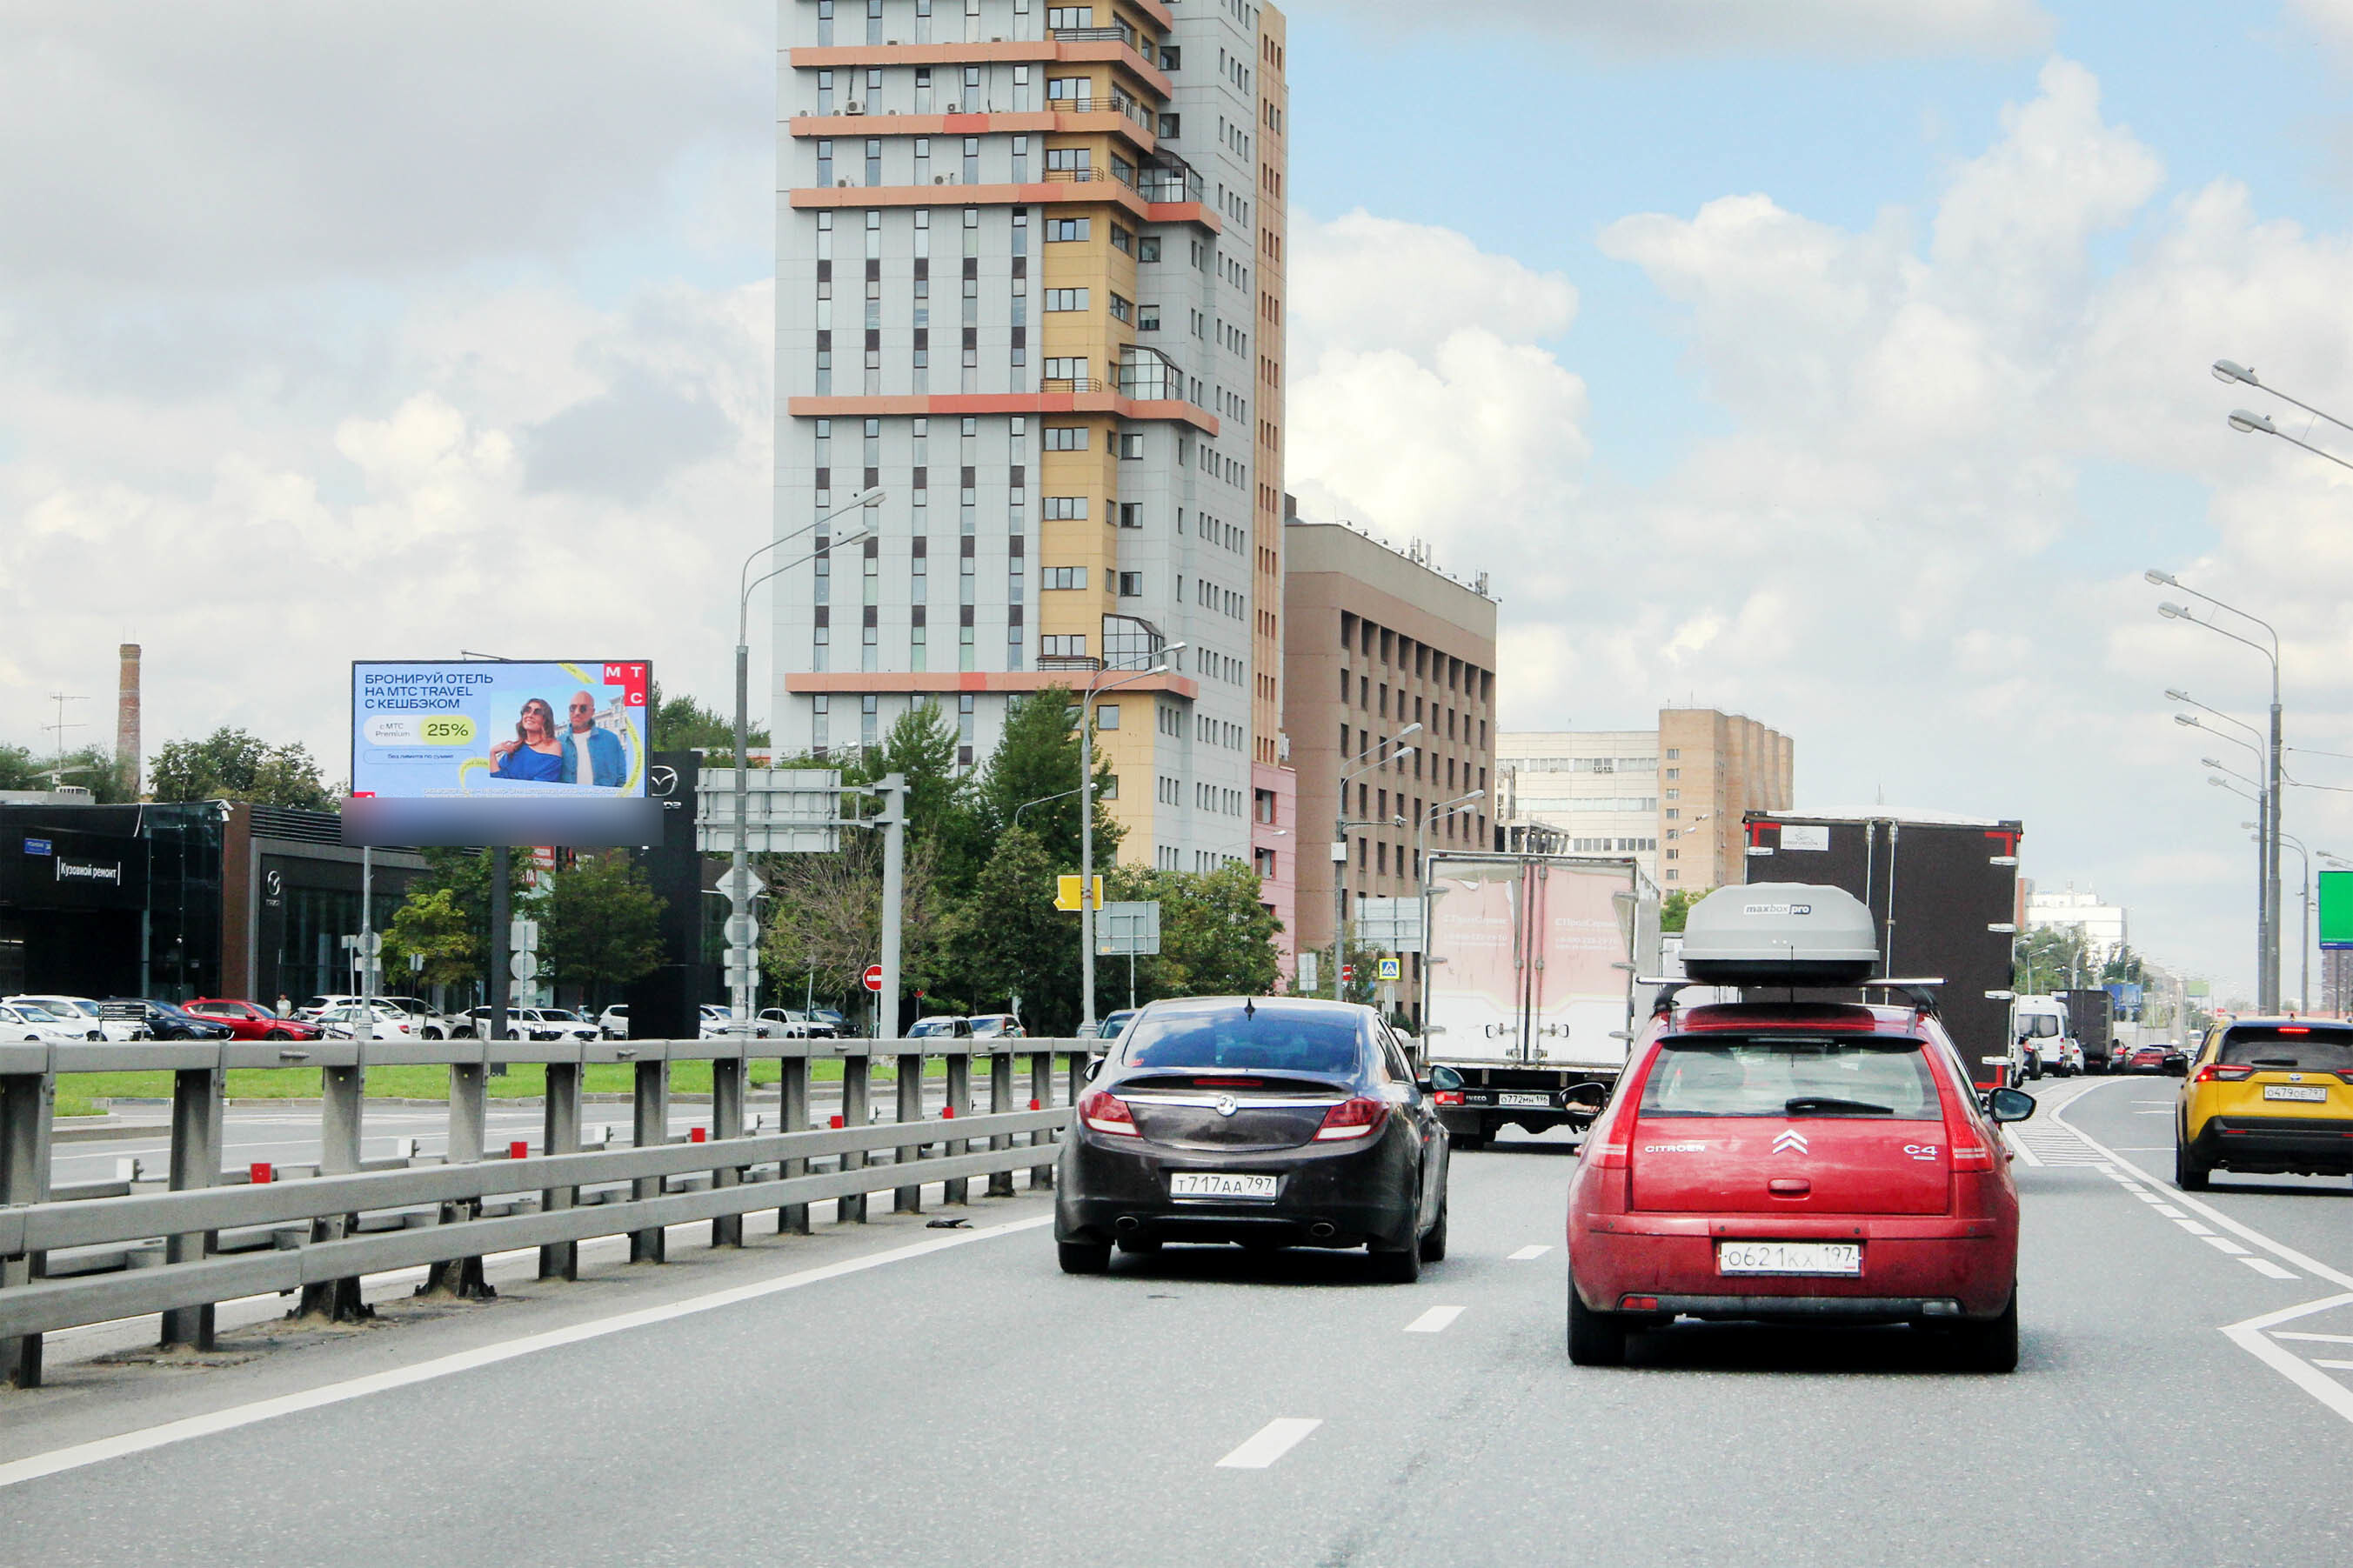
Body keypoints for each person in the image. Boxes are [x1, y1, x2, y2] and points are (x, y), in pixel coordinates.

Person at [558, 691, 627, 787]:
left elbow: (622, 779)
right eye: (573, 708)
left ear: (592, 712)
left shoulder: (611, 740)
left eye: (583, 708)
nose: (577, 712)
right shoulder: (558, 743)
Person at [489, 698, 564, 782]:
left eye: (537, 712)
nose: (530, 715)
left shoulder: (553, 747)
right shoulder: (515, 748)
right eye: (527, 710)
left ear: (545, 720)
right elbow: (497, 779)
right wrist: (491, 753)